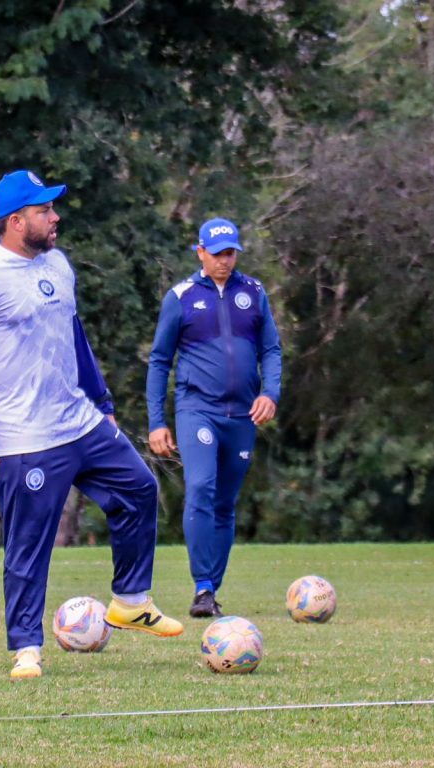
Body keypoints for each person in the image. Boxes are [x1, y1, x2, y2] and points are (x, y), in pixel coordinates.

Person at [0, 170, 184, 680]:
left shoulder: (58, 263)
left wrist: (101, 399)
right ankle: (26, 648)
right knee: (28, 545)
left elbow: (75, 336)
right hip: (21, 434)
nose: (55, 217)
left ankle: (131, 601)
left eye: (52, 208)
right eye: (44, 210)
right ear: (16, 221)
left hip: (79, 420)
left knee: (139, 488)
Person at [146, 217, 282, 618]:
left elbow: (271, 350)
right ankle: (202, 585)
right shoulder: (181, 297)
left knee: (225, 502)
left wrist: (270, 393)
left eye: (231, 253)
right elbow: (159, 360)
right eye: (218, 253)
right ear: (200, 252)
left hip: (242, 415)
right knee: (201, 487)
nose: (226, 260)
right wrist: (157, 421)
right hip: (197, 410)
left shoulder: (254, 292)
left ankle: (211, 593)